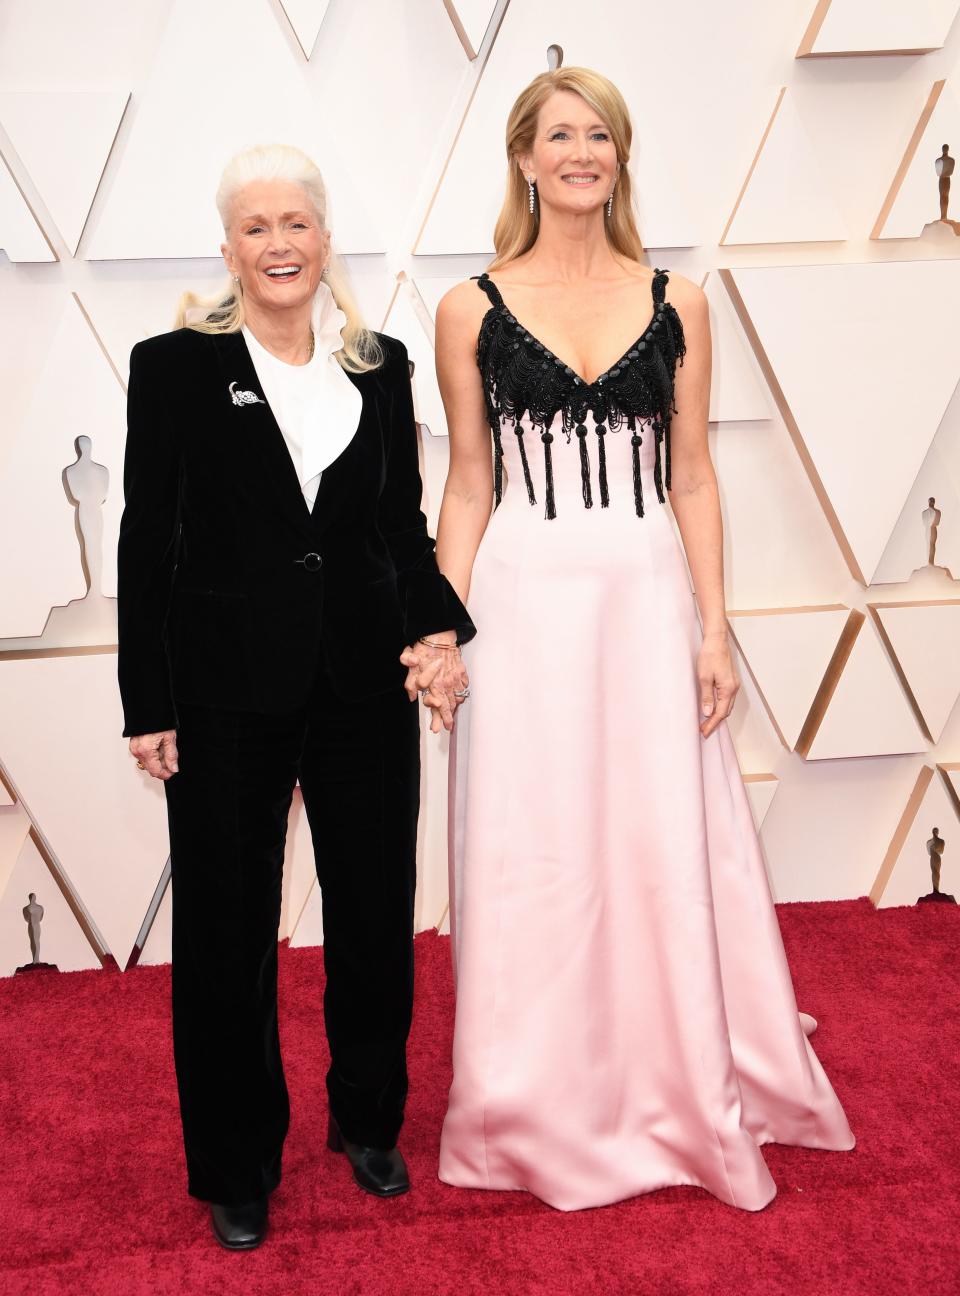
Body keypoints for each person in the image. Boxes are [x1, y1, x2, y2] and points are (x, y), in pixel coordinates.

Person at [419, 67, 855, 1212]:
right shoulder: (469, 307)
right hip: (522, 603)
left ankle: (675, 1060)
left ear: (620, 158)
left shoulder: (682, 300)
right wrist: (440, 625)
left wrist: (715, 628)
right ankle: (534, 1089)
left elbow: (696, 477)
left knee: (662, 832)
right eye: (559, 134)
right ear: (523, 158)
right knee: (537, 840)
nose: (581, 152)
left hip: (646, 595)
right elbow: (467, 484)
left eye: (600, 134)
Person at [117, 144, 473, 1250]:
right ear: (228, 247)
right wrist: (149, 699)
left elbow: (397, 523)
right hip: (222, 689)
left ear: (325, 239)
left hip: (363, 678)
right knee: (227, 934)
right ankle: (235, 1163)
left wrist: (436, 624)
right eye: (256, 227)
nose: (279, 244)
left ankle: (369, 1121)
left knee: (373, 912)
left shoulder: (382, 362)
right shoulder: (175, 365)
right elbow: (148, 538)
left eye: (297, 224)